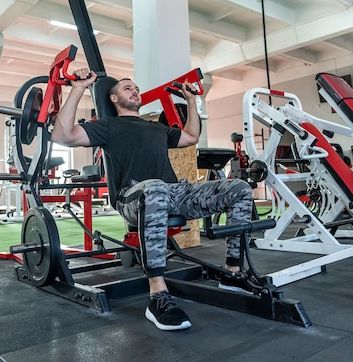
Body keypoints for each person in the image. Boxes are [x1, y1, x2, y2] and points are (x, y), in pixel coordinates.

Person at [52, 67, 254, 331]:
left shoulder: (157, 129)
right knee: (155, 188)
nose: (134, 91)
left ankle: (232, 272)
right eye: (127, 88)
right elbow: (62, 135)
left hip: (172, 192)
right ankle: (157, 295)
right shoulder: (107, 126)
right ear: (113, 99)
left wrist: (192, 100)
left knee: (239, 188)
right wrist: (78, 87)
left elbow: (191, 136)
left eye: (136, 88)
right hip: (132, 197)